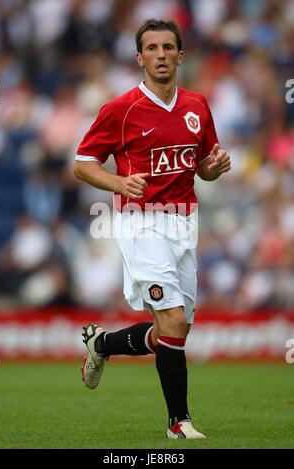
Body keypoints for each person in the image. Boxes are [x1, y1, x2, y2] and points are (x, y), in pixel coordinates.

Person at [74, 19, 231, 439]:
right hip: (140, 222)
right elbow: (82, 163)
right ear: (139, 57)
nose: (160, 54)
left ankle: (102, 345)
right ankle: (178, 423)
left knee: (172, 331)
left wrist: (211, 170)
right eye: (151, 48)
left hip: (184, 221)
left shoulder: (197, 106)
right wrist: (118, 182)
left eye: (167, 47)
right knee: (174, 321)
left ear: (181, 55)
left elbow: (201, 167)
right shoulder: (120, 109)